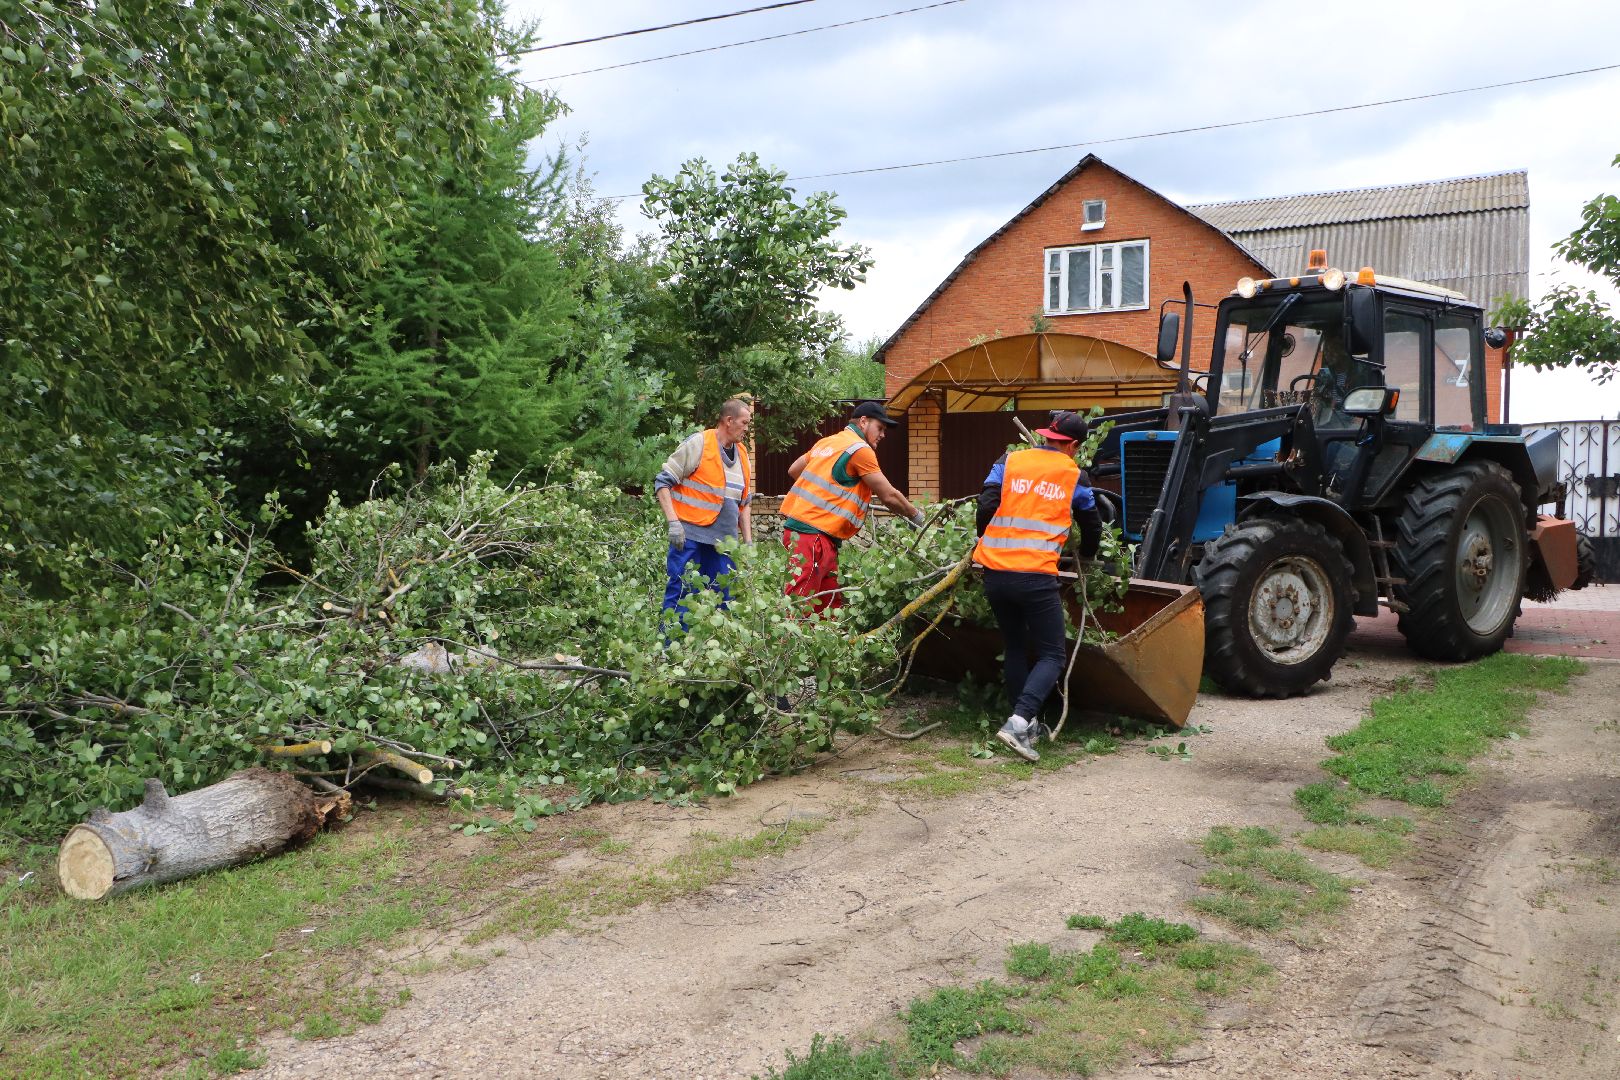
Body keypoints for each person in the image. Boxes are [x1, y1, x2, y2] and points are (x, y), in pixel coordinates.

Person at [973, 411, 1102, 761]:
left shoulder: (1009, 459)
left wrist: (982, 539)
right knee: (1053, 654)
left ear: (1047, 436)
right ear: (1073, 445)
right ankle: (1018, 722)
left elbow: (986, 504)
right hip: (1035, 575)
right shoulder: (1074, 474)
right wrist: (1086, 559)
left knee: (1015, 646)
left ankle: (1026, 725)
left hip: (995, 572)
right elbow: (1091, 523)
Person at [780, 400, 926, 614]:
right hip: (813, 537)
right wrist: (916, 516)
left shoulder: (828, 442)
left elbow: (794, 469)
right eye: (880, 428)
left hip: (810, 534)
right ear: (864, 422)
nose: (883, 435)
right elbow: (889, 495)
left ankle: (823, 645)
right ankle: (788, 647)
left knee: (827, 604)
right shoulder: (860, 449)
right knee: (802, 604)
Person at [654, 397, 754, 627]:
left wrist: (747, 541)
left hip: (724, 544)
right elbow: (662, 483)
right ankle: (670, 655)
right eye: (744, 423)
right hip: (690, 538)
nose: (747, 429)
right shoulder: (699, 443)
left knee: (724, 600)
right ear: (729, 420)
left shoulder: (743, 457)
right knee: (682, 595)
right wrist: (673, 523)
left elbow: (744, 503)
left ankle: (715, 658)